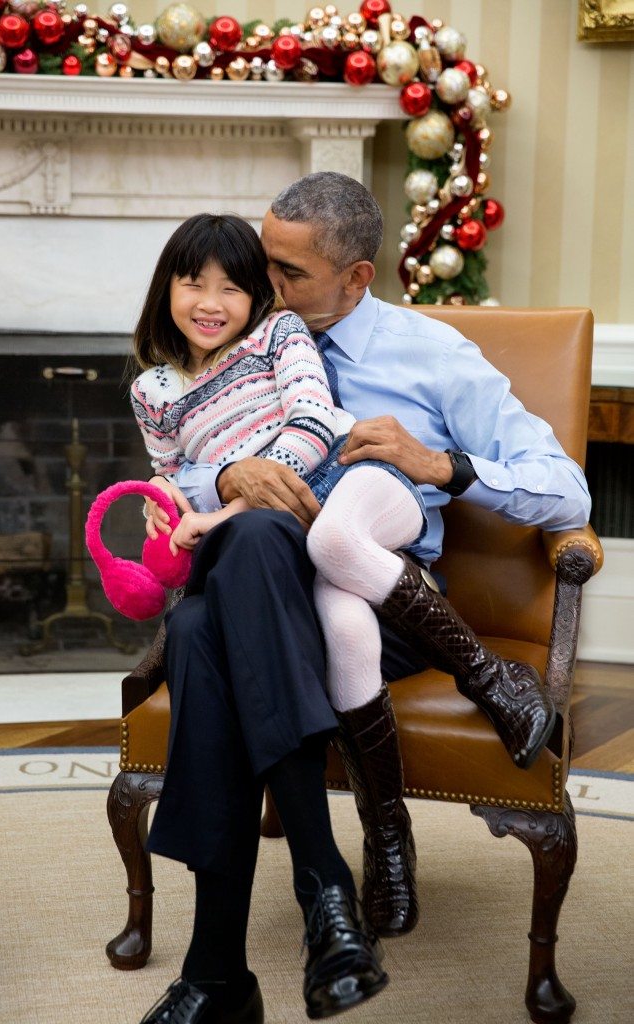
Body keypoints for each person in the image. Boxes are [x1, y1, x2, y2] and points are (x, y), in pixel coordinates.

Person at [136, 174, 591, 1023]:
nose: (255, 286)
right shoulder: (225, 354)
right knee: (233, 581)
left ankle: (216, 975)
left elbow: (565, 490)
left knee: (208, 627)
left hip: (378, 605)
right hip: (266, 590)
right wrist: (227, 473)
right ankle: (320, 902)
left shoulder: (433, 356)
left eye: (285, 273)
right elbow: (176, 469)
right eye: (256, 264)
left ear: (356, 278)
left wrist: (441, 466)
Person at [131, 211, 434, 1023]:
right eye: (193, 280)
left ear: (259, 297)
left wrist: (231, 489)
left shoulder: (280, 339)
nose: (209, 300)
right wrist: (179, 510)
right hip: (231, 579)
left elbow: (310, 430)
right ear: (167, 285)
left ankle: (215, 972)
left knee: (250, 549)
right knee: (197, 623)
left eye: (232, 285)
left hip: (300, 555)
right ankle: (322, 892)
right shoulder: (153, 391)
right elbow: (169, 489)